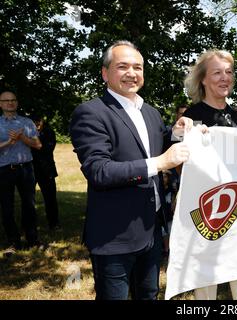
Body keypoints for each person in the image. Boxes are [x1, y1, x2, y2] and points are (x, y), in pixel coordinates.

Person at [69, 40, 194, 300]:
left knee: (148, 294)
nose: (131, 73)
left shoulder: (151, 113)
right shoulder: (90, 113)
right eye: (122, 66)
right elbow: (99, 171)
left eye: (138, 67)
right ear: (105, 73)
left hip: (151, 231)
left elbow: (157, 143)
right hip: (114, 236)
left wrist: (178, 133)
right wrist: (160, 163)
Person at [183, 49, 237, 300]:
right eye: (217, 73)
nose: (225, 78)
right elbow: (176, 159)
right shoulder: (191, 118)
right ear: (203, 79)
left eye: (229, 72)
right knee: (205, 280)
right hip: (207, 212)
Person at [0, 91, 42, 254]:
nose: (10, 103)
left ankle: (33, 240)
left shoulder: (27, 122)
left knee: (29, 205)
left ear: (17, 103)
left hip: (25, 168)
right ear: (1, 104)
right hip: (3, 169)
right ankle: (13, 242)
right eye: (6, 100)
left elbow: (38, 145)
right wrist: (9, 142)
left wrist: (23, 138)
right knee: (6, 207)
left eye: (13, 100)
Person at [31, 115, 61, 231]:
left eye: (39, 120)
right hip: (30, 170)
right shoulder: (25, 132)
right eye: (34, 121)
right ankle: (27, 225)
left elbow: (47, 149)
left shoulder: (49, 132)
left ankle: (54, 223)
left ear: (43, 120)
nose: (37, 123)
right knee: (28, 199)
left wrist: (33, 144)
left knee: (50, 198)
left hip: (46, 169)